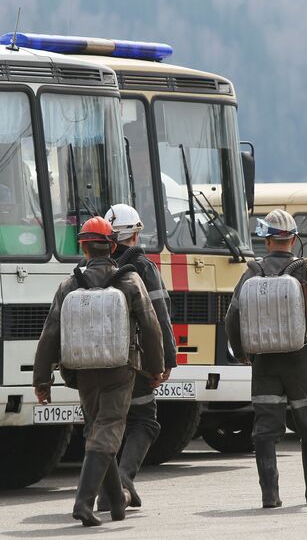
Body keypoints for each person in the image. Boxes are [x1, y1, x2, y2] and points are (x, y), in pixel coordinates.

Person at [33, 216, 164, 527]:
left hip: (83, 373)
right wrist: (155, 368)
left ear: (83, 247)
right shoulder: (130, 281)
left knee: (96, 428)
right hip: (121, 370)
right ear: (112, 245)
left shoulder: (69, 285)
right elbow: (151, 328)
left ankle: (116, 503)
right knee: (108, 429)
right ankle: (83, 501)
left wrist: (42, 380)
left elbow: (50, 333)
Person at [225, 209, 307, 508]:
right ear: (293, 238)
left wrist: (243, 352)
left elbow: (233, 316)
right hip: (302, 360)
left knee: (265, 429)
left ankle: (270, 495)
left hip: (264, 360)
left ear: (267, 241)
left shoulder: (253, 272)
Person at [97, 203, 177, 510]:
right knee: (144, 421)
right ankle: (124, 482)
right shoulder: (142, 267)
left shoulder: (89, 267)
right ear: (137, 232)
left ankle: (112, 488)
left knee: (106, 425)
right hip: (135, 361)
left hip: (97, 362)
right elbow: (158, 317)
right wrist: (166, 361)